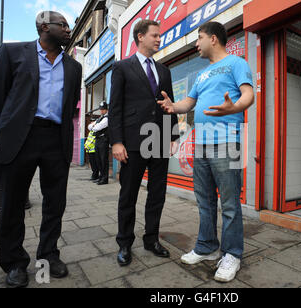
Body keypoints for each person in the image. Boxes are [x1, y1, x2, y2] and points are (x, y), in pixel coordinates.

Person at [0, 11, 82, 288]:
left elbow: (70, 105)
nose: (68, 30)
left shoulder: (73, 68)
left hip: (56, 140)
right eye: (62, 25)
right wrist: (9, 126)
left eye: (69, 26)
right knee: (13, 203)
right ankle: (14, 263)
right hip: (21, 138)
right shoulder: (11, 53)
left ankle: (48, 255)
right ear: (43, 27)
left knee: (55, 203)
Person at [158, 22, 254, 282]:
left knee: (231, 203)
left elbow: (248, 95)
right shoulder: (201, 74)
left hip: (227, 143)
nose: (196, 44)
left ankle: (232, 253)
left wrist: (233, 108)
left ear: (213, 38)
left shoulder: (236, 63)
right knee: (205, 201)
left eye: (199, 38)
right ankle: (207, 247)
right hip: (201, 145)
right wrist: (172, 106)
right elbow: (188, 103)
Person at [109, 19, 180, 267]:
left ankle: (151, 239)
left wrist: (172, 136)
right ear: (140, 37)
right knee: (128, 194)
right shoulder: (121, 68)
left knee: (157, 194)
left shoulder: (164, 70)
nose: (159, 39)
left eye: (159, 36)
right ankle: (125, 243)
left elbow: (169, 104)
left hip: (159, 139)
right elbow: (115, 108)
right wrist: (116, 142)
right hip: (132, 142)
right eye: (155, 35)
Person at [89, 101, 109, 185]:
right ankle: (101, 177)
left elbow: (98, 127)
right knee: (98, 160)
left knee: (103, 160)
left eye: (103, 109)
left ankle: (105, 178)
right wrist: (94, 126)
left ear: (106, 109)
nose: (101, 111)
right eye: (101, 109)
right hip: (97, 140)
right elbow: (89, 127)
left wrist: (94, 126)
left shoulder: (107, 118)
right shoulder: (100, 118)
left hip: (103, 140)